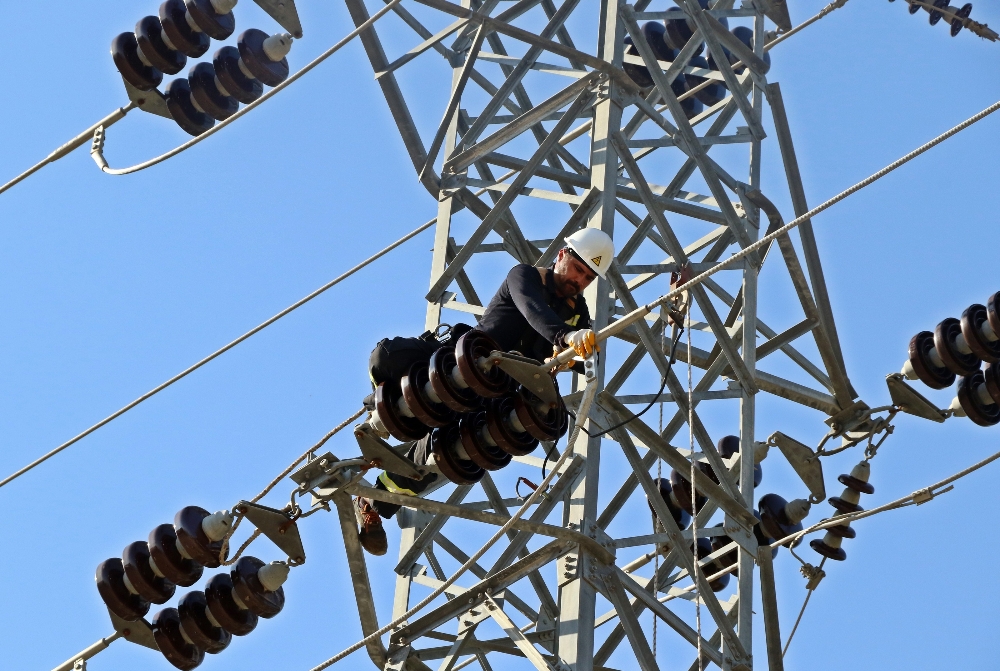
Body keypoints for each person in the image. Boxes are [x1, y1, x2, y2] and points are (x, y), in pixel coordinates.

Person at [355, 228, 615, 555]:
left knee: (447, 456)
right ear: (562, 255)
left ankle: (375, 503)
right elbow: (534, 311)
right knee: (388, 354)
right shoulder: (525, 276)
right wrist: (566, 338)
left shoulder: (576, 312)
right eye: (578, 270)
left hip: (494, 395)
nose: (580, 281)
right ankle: (381, 413)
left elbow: (590, 357)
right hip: (463, 367)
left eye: (589, 278)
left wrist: (576, 356)